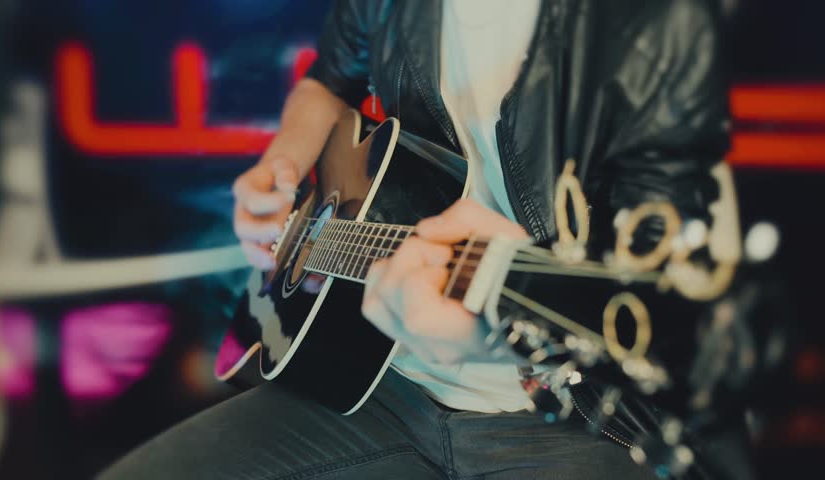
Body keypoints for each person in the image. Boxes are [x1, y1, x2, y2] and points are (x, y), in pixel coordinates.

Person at [102, 0, 730, 478]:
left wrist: (490, 331)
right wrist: (282, 167)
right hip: (380, 386)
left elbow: (667, 302)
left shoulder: (655, 24)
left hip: (576, 422)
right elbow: (327, 79)